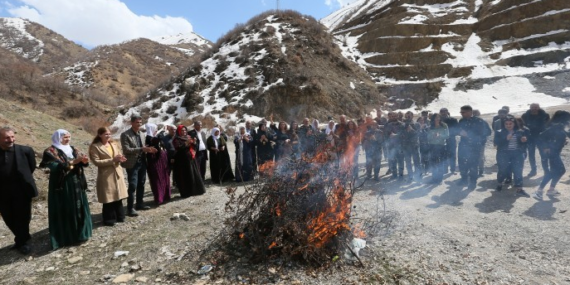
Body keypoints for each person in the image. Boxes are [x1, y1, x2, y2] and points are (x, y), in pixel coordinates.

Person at [40, 129, 92, 249]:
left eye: (68, 137)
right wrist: (74, 162)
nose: (67, 139)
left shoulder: (73, 149)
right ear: (58, 138)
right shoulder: (50, 151)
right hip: (63, 184)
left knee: (79, 206)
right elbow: (56, 167)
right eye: (64, 137)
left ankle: (82, 234)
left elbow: (82, 163)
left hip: (77, 181)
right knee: (66, 207)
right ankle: (67, 237)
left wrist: (84, 161)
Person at [0, 127, 38, 255]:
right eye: (7, 137)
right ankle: (22, 237)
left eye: (12, 136)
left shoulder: (25, 151)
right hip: (3, 193)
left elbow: (31, 167)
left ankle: (22, 241)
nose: (11, 140)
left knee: (22, 217)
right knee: (8, 217)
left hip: (22, 191)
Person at [89, 127, 128, 226]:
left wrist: (121, 158)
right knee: (108, 197)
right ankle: (109, 219)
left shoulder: (114, 144)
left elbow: (118, 154)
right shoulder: (95, 147)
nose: (108, 136)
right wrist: (112, 160)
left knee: (118, 195)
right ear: (100, 135)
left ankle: (120, 216)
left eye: (109, 134)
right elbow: (96, 162)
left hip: (117, 172)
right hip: (106, 175)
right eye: (106, 134)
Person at [120, 115, 157, 216]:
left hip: (142, 162)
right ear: (132, 123)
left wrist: (149, 150)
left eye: (140, 123)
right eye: (137, 122)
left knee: (141, 183)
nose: (139, 124)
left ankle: (140, 203)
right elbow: (126, 150)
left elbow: (143, 147)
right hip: (132, 164)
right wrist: (141, 149)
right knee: (132, 185)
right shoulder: (125, 135)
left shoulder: (142, 134)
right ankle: (130, 208)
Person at [532, 110, 570, 199]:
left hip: (555, 152)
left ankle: (550, 189)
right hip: (552, 153)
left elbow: (563, 135)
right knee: (558, 171)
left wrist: (562, 142)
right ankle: (539, 191)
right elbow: (541, 137)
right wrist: (545, 147)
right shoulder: (556, 126)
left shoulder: (559, 126)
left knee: (556, 171)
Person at [457, 105, 491, 190]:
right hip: (463, 145)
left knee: (473, 164)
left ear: (470, 112)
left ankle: (472, 182)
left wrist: (475, 136)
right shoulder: (461, 121)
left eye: (463, 112)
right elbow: (457, 130)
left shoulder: (479, 121)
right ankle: (464, 179)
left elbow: (488, 132)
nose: (461, 114)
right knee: (462, 163)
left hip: (474, 146)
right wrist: (459, 132)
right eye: (461, 112)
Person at [493, 117, 529, 196]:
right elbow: (496, 142)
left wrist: (524, 141)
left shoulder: (520, 131)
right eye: (506, 124)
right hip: (503, 154)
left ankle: (519, 188)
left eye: (510, 124)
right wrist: (506, 138)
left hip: (517, 154)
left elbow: (524, 144)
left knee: (518, 171)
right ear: (504, 124)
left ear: (514, 124)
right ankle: (499, 183)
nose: (508, 125)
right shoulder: (499, 132)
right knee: (502, 170)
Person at [172, 125, 206, 197]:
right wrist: (186, 143)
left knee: (194, 174)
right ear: (179, 131)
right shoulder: (176, 139)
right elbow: (178, 148)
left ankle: (196, 190)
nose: (184, 132)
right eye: (182, 130)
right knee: (186, 176)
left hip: (191, 159)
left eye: (185, 130)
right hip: (182, 161)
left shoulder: (188, 137)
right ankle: (187, 192)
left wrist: (194, 143)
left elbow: (193, 147)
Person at [144, 123, 171, 206]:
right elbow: (156, 141)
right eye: (154, 129)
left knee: (164, 177)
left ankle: (165, 195)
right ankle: (159, 197)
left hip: (161, 160)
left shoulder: (155, 137)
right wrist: (162, 132)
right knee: (157, 178)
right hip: (154, 161)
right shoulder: (149, 138)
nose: (155, 130)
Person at [521, 103, 550, 177]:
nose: (534, 108)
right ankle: (533, 170)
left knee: (543, 155)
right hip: (530, 138)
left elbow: (548, 126)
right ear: (530, 108)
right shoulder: (525, 116)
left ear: (539, 107)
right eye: (533, 107)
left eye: (536, 107)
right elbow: (522, 126)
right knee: (531, 155)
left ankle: (546, 171)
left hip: (541, 138)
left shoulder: (545, 115)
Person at [427, 114, 449, 184]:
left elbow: (447, 136)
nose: (437, 119)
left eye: (438, 117)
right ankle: (434, 178)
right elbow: (428, 137)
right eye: (436, 118)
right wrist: (432, 136)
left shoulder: (444, 125)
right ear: (433, 119)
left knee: (440, 163)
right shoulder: (431, 126)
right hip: (432, 146)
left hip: (441, 146)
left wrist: (440, 135)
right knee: (433, 163)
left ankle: (439, 179)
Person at [384, 111, 405, 180]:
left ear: (397, 116)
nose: (394, 117)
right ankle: (394, 175)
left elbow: (404, 134)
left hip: (400, 145)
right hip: (391, 146)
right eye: (392, 116)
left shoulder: (402, 124)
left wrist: (396, 135)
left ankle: (401, 175)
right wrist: (389, 136)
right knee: (393, 161)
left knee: (401, 161)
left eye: (395, 116)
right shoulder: (388, 125)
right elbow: (386, 135)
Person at [401, 111, 421, 182]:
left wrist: (412, 130)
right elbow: (401, 134)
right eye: (407, 116)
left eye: (409, 116)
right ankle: (410, 176)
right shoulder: (403, 125)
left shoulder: (417, 124)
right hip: (406, 146)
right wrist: (406, 130)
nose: (408, 117)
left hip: (414, 145)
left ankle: (418, 176)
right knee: (408, 162)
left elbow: (418, 134)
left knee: (416, 162)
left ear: (412, 116)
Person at [362, 116, 382, 180]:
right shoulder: (368, 132)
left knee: (377, 163)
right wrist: (366, 142)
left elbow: (382, 141)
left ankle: (376, 175)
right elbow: (364, 140)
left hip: (377, 150)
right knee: (369, 163)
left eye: (375, 124)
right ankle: (369, 175)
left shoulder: (380, 132)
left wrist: (375, 139)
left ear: (377, 125)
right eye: (372, 124)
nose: (374, 126)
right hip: (369, 151)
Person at [473, 109, 492, 177]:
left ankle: (480, 171)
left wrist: (481, 135)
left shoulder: (483, 122)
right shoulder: (482, 121)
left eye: (476, 113)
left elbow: (489, 132)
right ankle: (478, 171)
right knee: (478, 157)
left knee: (479, 157)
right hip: (475, 143)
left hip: (479, 142)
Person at [440, 108, 458, 174]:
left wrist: (450, 134)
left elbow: (457, 130)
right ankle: (445, 170)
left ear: (447, 112)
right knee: (444, 155)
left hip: (451, 139)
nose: (443, 113)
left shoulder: (453, 120)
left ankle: (453, 169)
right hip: (441, 140)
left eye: (445, 111)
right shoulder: (438, 120)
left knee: (452, 155)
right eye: (442, 112)